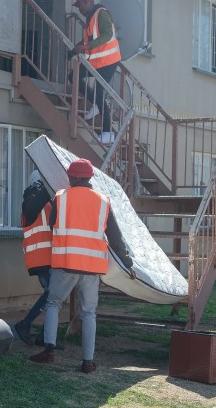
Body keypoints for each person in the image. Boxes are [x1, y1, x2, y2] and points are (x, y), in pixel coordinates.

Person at [29, 158, 135, 374]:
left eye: (70, 176)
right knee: (89, 313)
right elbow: (115, 238)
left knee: (53, 304)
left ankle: (49, 350)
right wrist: (128, 263)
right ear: (89, 178)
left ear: (75, 177)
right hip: (91, 267)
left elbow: (52, 226)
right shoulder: (103, 201)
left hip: (65, 264)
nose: (68, 178)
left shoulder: (60, 198)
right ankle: (88, 362)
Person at [70, 0, 122, 144]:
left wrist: (86, 46)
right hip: (98, 62)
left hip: (109, 61)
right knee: (73, 76)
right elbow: (90, 39)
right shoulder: (91, 18)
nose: (79, 8)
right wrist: (75, 48)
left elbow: (107, 35)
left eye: (80, 5)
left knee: (100, 91)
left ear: (87, 2)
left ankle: (108, 133)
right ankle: (96, 103)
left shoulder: (101, 14)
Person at [13, 170, 53, 346]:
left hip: (50, 257)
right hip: (41, 257)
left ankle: (45, 336)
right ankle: (25, 324)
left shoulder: (47, 202)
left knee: (53, 297)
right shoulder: (29, 199)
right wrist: (47, 188)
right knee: (53, 295)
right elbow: (32, 208)